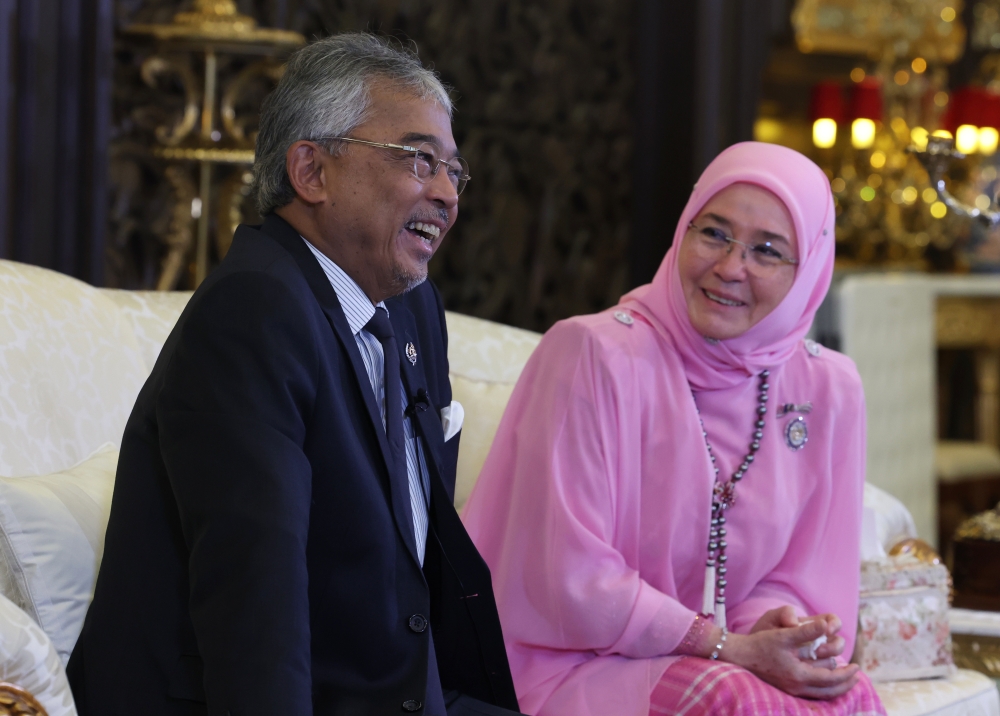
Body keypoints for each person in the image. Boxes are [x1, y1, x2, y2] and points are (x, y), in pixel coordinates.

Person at [68, 33, 521, 716]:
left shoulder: (413, 308)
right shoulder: (254, 310)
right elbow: (254, 597)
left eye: (453, 171)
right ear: (311, 171)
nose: (445, 195)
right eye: (419, 160)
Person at [461, 142, 887, 715]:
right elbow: (570, 580)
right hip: (572, 663)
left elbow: (803, 573)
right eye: (713, 233)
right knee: (730, 699)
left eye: (767, 251)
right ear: (682, 230)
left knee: (849, 696)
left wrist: (774, 630)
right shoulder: (595, 354)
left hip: (723, 655)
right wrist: (729, 649)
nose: (731, 267)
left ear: (809, 269)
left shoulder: (828, 388)